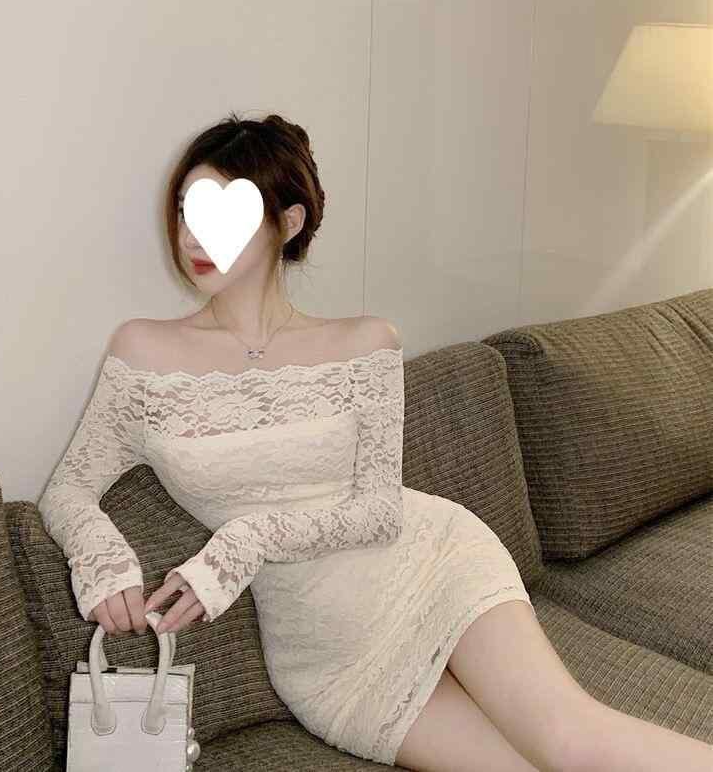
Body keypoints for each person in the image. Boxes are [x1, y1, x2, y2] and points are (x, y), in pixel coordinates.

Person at [38, 113, 713, 771]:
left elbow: (378, 511)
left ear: (288, 222)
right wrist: (105, 563)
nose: (194, 236)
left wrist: (246, 540)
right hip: (326, 659)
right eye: (188, 211)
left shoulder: (365, 343)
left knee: (569, 743)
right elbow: (69, 487)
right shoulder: (144, 354)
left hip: (431, 566)